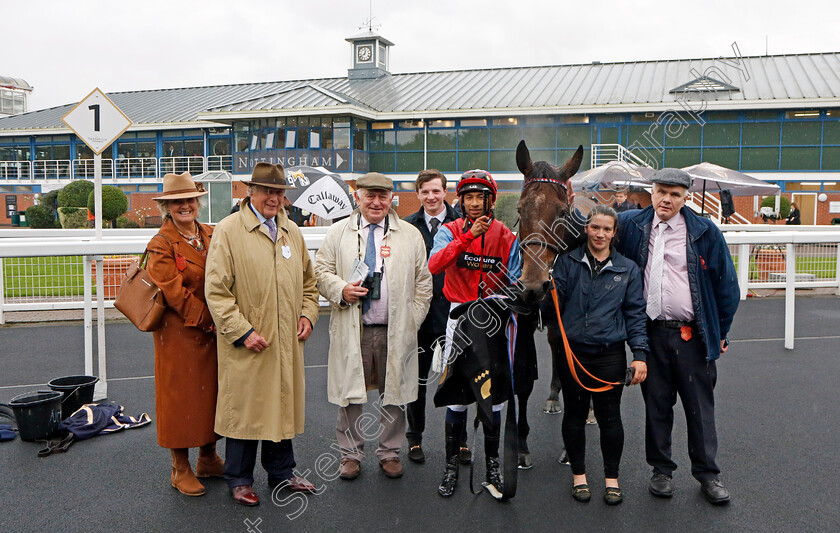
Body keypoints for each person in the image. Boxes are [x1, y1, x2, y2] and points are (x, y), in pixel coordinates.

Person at [615, 168, 739, 505]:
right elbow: (592, 226)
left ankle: (708, 475)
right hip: (651, 333)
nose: (666, 199)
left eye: (674, 194)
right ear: (651, 192)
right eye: (661, 192)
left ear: (685, 198)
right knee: (656, 404)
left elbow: (727, 286)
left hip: (691, 336)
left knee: (699, 407)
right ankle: (661, 470)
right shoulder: (630, 224)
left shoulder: (704, 231)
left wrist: (720, 331)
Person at [204, 162, 320, 506]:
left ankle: (282, 472)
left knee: (279, 404)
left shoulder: (291, 231)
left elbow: (309, 284)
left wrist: (307, 315)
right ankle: (238, 478)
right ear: (250, 192)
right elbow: (217, 291)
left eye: (279, 192)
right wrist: (242, 332)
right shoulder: (229, 230)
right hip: (249, 342)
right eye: (267, 191)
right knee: (246, 409)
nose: (274, 198)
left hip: (285, 340)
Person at [314, 172, 431, 481]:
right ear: (358, 196)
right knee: (350, 395)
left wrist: (411, 321)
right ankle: (350, 454)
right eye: (370, 195)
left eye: (383, 196)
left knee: (394, 393)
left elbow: (423, 283)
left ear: (391, 198)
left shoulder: (409, 234)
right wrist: (341, 289)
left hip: (396, 330)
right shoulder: (338, 233)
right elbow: (320, 270)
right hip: (356, 329)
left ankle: (390, 451)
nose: (377, 202)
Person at [541, 204, 648, 505]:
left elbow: (636, 314)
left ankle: (611, 479)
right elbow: (551, 311)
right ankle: (579, 477)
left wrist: (639, 354)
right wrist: (544, 290)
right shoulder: (566, 263)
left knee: (610, 418)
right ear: (586, 229)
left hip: (610, 354)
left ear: (615, 233)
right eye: (595, 227)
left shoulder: (628, 269)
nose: (600, 233)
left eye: (607, 229)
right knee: (574, 415)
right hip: (572, 353)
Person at [427, 169, 521, 497]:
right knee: (458, 392)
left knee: (491, 394)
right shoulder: (450, 230)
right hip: (459, 321)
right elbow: (435, 264)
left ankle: (492, 463)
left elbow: (518, 280)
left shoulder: (507, 236)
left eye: (480, 197)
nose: (474, 203)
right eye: (468, 197)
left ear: (490, 201)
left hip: (493, 325)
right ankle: (452, 464)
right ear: (462, 201)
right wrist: (466, 238)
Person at [147, 172, 223, 497]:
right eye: (177, 201)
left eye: (190, 199)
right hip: (178, 333)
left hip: (211, 329)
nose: (185, 205)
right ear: (167, 206)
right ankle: (180, 467)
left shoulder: (211, 233)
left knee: (210, 394)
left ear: (198, 202)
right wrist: (211, 320)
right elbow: (175, 293)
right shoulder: (160, 243)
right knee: (179, 399)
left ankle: (207, 457)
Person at [402, 169, 460, 464]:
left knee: (459, 380)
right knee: (418, 380)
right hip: (421, 317)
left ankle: (460, 441)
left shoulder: (462, 225)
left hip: (455, 315)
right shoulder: (407, 227)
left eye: (436, 191)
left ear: (445, 192)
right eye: (425, 191)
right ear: (418, 194)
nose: (431, 197)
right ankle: (415, 439)